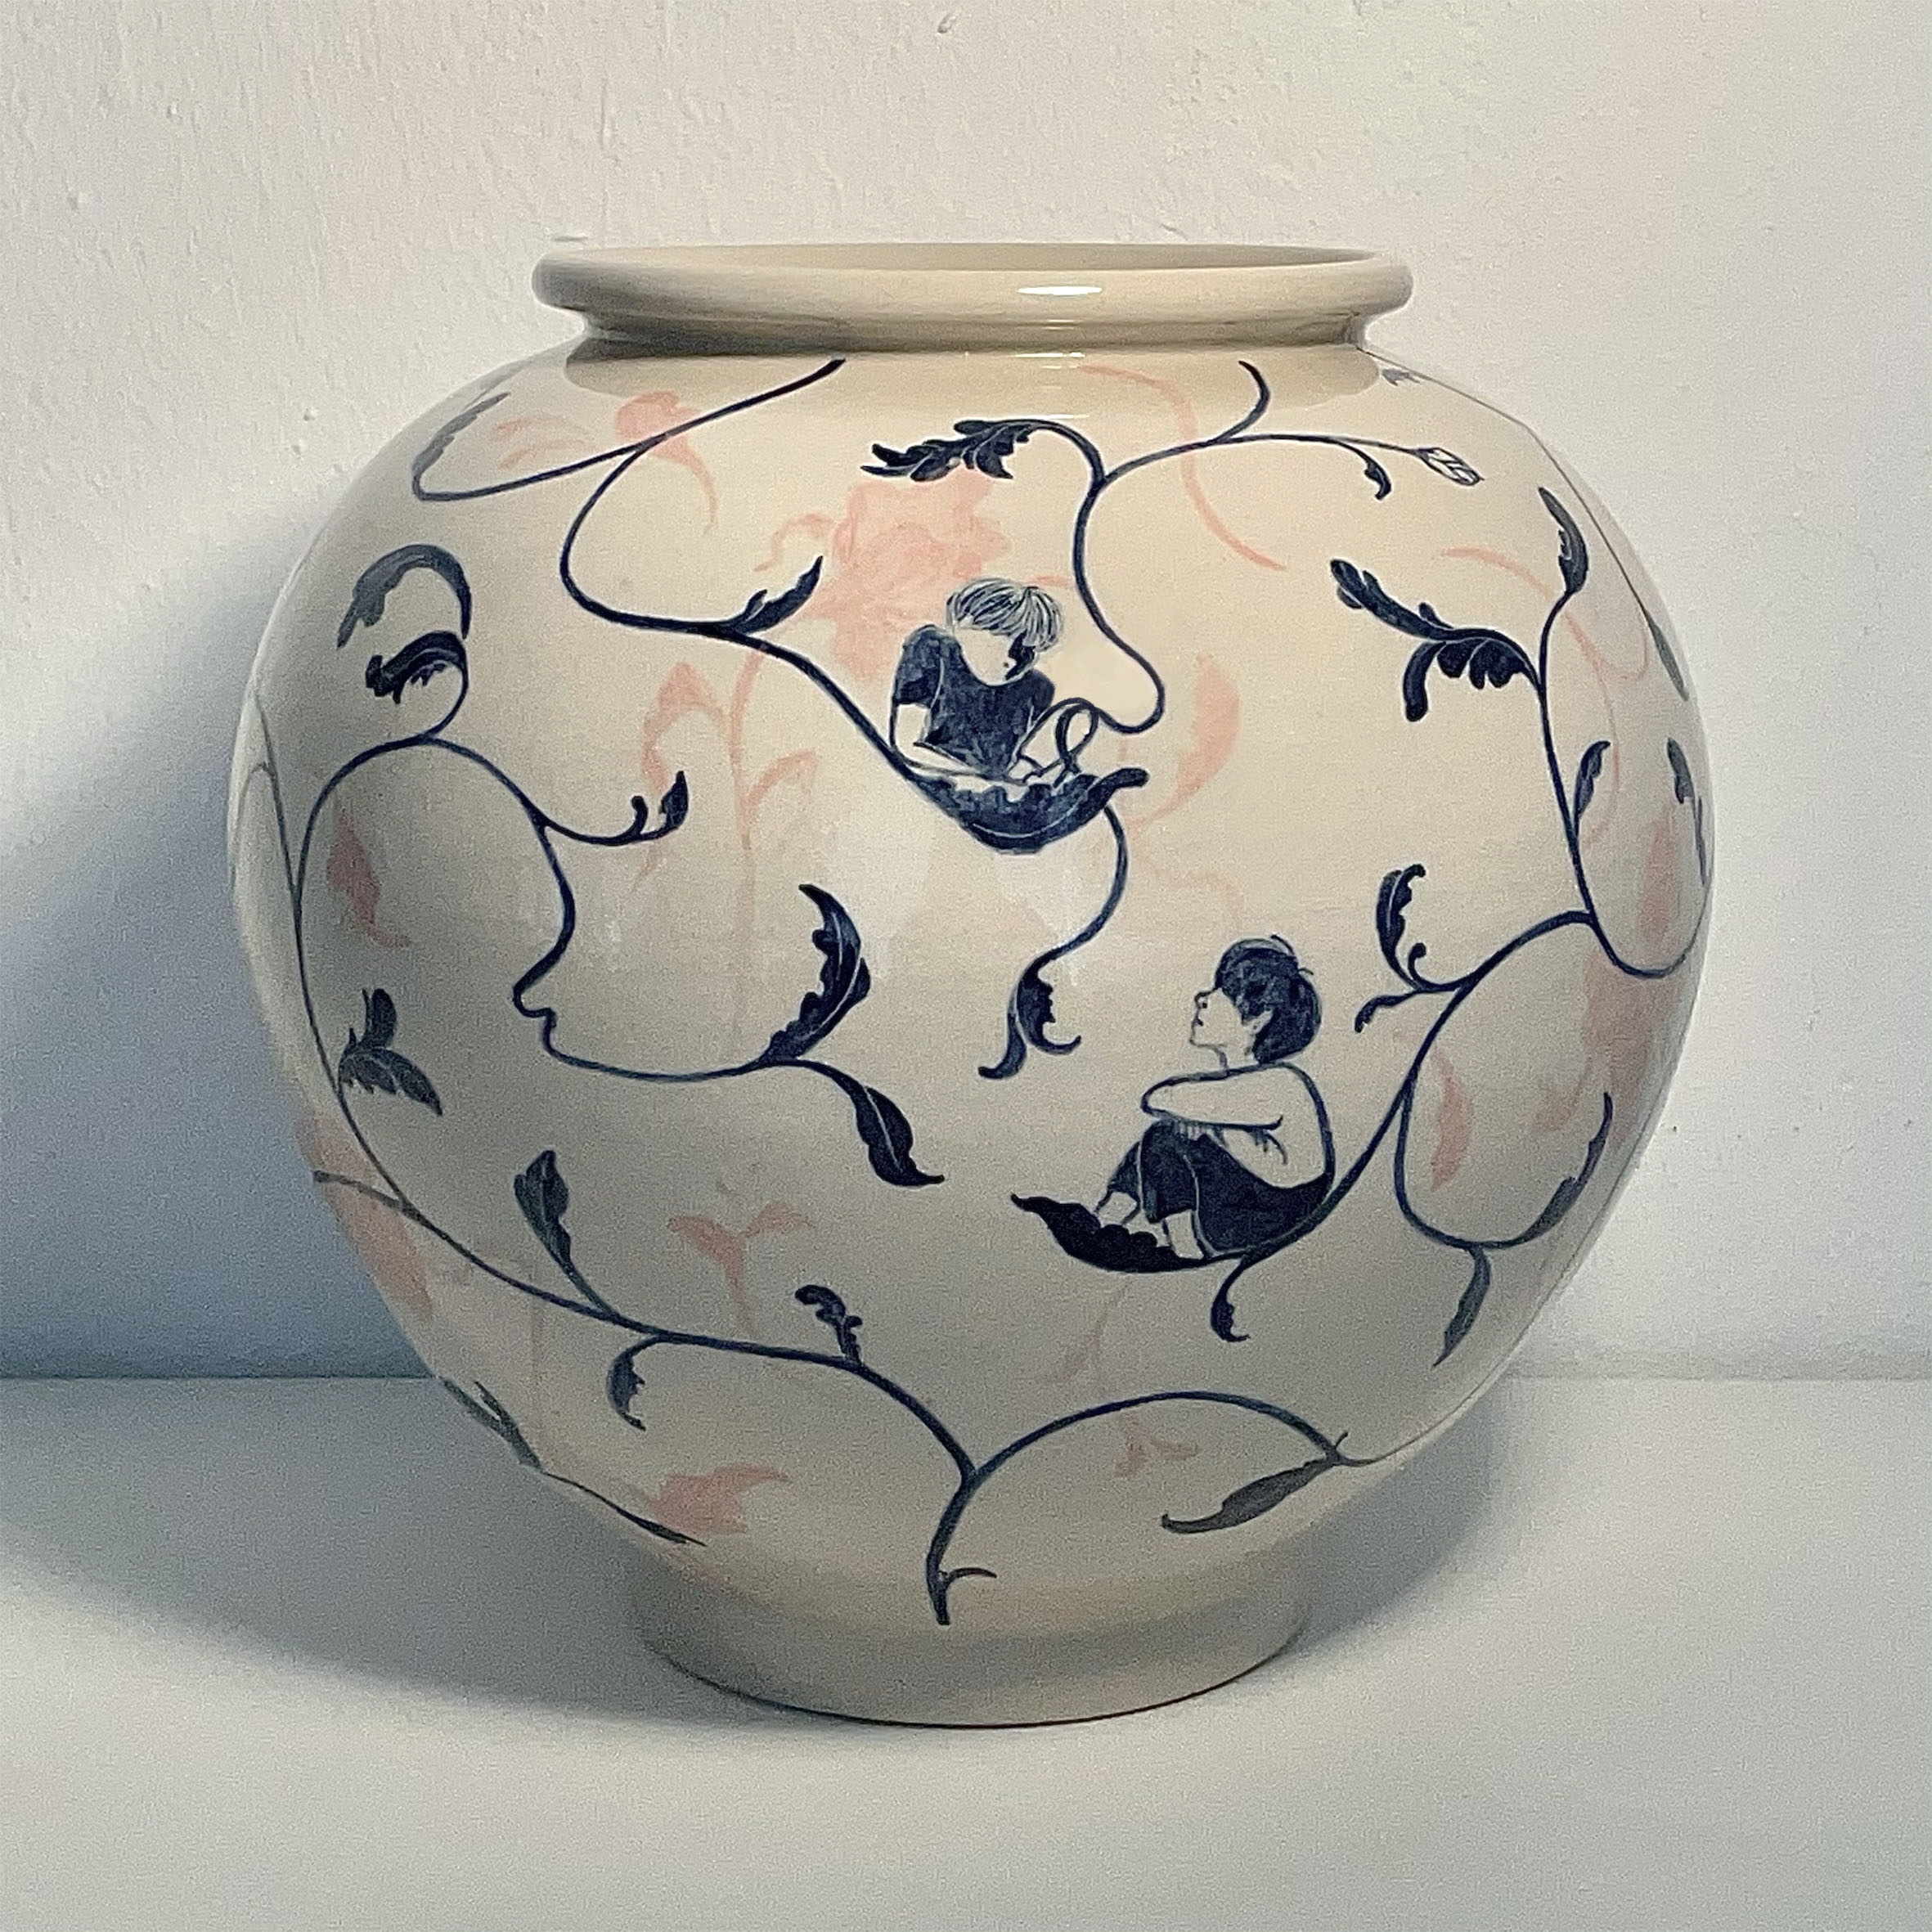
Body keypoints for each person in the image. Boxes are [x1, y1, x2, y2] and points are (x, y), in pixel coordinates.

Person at [1017, 937, 1335, 1271]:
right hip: (1254, 1200)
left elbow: (1160, 1097)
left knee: (1167, 1137)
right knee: (1172, 1132)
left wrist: (1200, 1121)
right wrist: (1203, 1123)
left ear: (1257, 1020)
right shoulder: (1249, 1085)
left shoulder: (1280, 1082)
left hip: (1270, 1212)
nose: (1203, 999)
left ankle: (1184, 1247)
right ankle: (1105, 1220)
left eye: (1222, 992)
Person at [889, 578, 1070, 797]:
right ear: (965, 624)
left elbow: (1010, 763)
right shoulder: (933, 649)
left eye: (1029, 648)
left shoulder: (1037, 688)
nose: (1015, 659)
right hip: (929, 791)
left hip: (994, 800)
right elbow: (907, 744)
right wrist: (976, 781)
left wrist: (1031, 774)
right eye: (1006, 636)